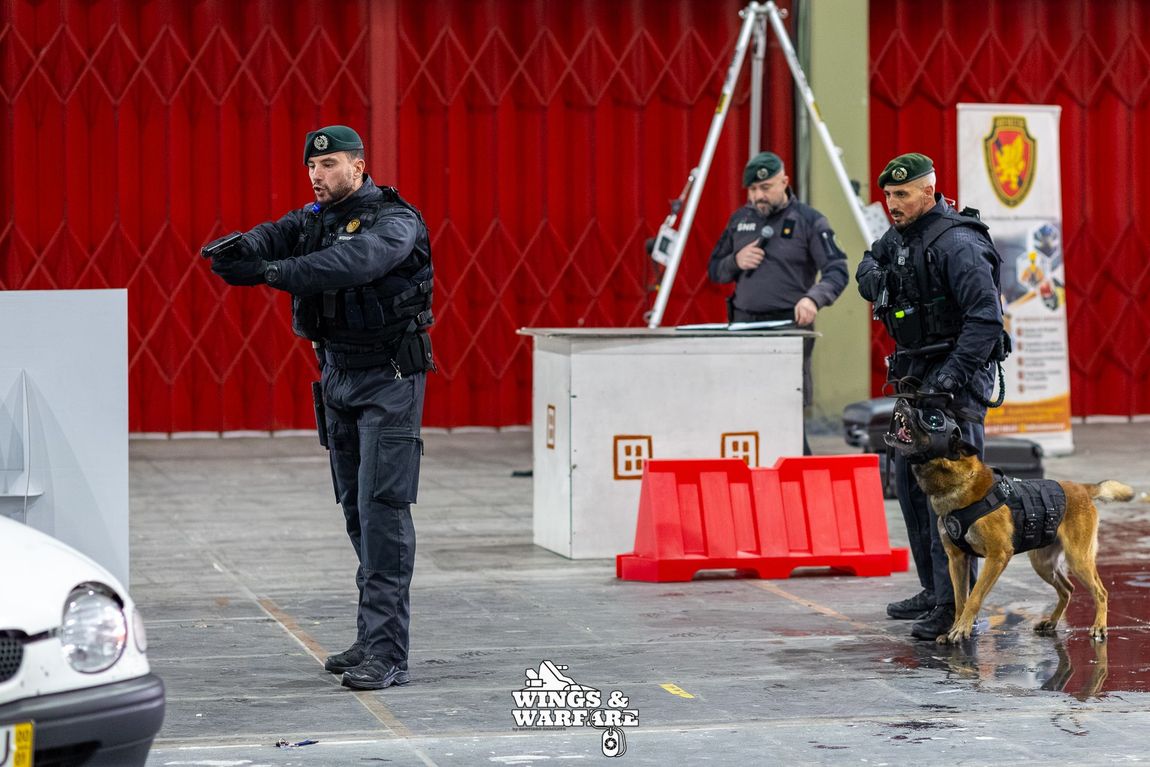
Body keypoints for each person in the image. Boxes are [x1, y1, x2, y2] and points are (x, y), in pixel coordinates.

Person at [205, 125, 434, 688]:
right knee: (356, 512)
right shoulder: (314, 219)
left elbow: (354, 263)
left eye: (329, 165)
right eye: (311, 166)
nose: (317, 175)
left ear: (359, 166)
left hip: (389, 378)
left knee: (382, 513)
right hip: (337, 377)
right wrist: (241, 251)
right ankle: (371, 638)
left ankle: (389, 652)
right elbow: (271, 236)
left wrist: (271, 272)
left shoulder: (395, 221)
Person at [856, 152, 1005, 641]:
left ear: (928, 191)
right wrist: (871, 277)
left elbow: (985, 320)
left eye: (902, 194)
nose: (892, 203)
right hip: (916, 380)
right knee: (911, 487)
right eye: (888, 195)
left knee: (955, 498)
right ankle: (933, 590)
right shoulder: (901, 235)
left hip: (954, 384)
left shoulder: (958, 243)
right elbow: (869, 259)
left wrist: (948, 381)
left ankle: (956, 605)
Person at [708, 151, 849, 455]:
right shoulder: (740, 220)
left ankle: (800, 474)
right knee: (743, 407)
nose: (758, 195)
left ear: (784, 182)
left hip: (789, 328)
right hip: (744, 327)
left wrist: (813, 298)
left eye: (766, 187)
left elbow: (838, 270)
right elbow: (714, 270)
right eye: (752, 189)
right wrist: (735, 261)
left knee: (787, 413)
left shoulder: (809, 220)